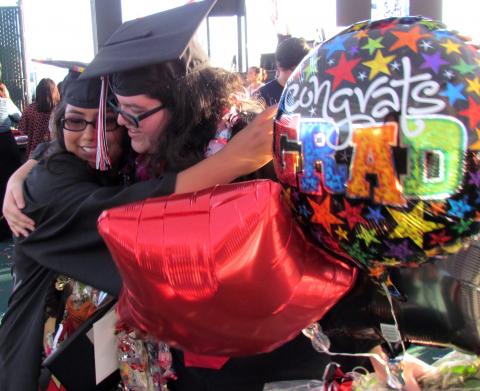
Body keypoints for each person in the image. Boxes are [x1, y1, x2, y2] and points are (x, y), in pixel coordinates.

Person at [257, 37, 310, 106]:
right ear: (279, 66)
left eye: (302, 68)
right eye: (294, 70)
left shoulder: (311, 91)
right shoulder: (262, 95)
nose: (299, 74)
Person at [0, 82, 21, 239]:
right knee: (8, 185)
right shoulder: (4, 101)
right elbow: (18, 117)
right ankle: (7, 227)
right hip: (5, 145)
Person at [18, 78, 60, 157]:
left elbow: (22, 131)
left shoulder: (29, 109)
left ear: (38, 92)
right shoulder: (59, 111)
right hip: (54, 154)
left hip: (34, 154)